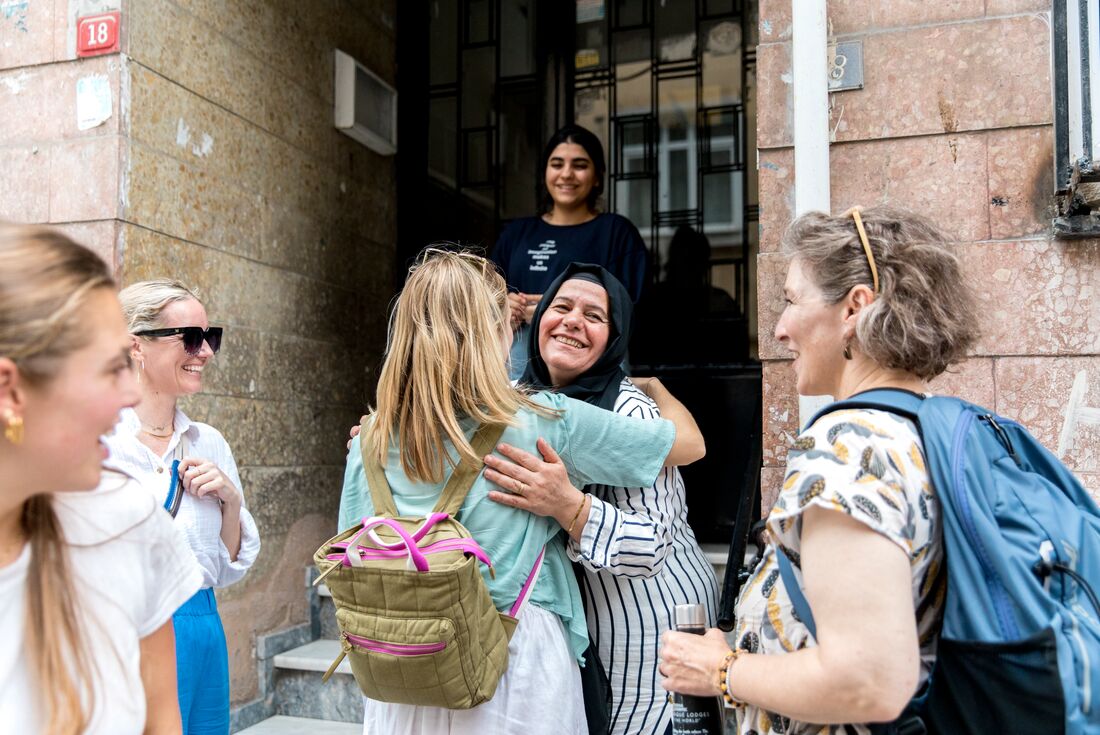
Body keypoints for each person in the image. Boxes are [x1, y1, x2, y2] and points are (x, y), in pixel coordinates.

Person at [337, 249, 703, 735]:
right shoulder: (541, 420)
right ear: (493, 334)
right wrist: (657, 388)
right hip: (512, 667)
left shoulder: (368, 441)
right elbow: (686, 445)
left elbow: (353, 550)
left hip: (402, 675)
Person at [657, 206, 980, 734]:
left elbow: (867, 681)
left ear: (855, 307)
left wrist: (720, 670)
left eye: (790, 300)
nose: (780, 330)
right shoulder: (940, 429)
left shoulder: (849, 447)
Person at [481, 262, 719, 735]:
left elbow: (650, 546)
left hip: (650, 625)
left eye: (594, 315)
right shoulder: (511, 397)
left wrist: (566, 504)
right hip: (563, 624)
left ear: (613, 338)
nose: (572, 321)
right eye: (561, 307)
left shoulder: (631, 411)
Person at [0, 224, 202, 733]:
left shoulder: (127, 520)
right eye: (110, 367)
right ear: (10, 392)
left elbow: (162, 720)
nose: (129, 394)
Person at [105, 279, 261, 735]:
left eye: (210, 337)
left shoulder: (207, 441)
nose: (207, 351)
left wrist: (231, 502)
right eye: (191, 338)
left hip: (203, 624)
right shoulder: (102, 442)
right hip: (128, 626)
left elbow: (228, 565)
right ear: (137, 346)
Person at [491, 124, 648, 378]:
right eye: (556, 164)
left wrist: (557, 308)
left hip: (591, 359)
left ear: (597, 176)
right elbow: (483, 295)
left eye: (580, 165)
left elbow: (631, 305)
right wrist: (503, 304)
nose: (566, 174)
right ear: (545, 172)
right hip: (516, 360)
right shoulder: (516, 233)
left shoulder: (615, 232)